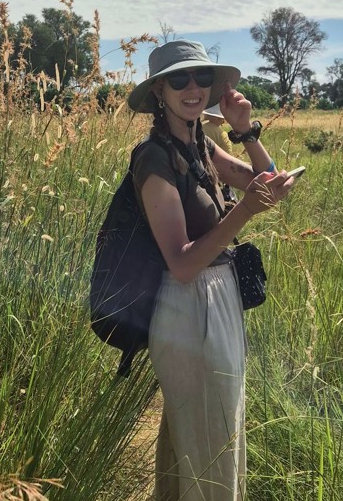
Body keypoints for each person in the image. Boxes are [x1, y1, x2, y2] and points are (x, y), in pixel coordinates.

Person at [127, 39, 296, 501]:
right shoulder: (154, 157)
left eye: (201, 77)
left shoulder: (201, 144)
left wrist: (246, 131)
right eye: (178, 79)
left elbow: (268, 184)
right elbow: (180, 263)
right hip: (186, 307)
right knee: (211, 441)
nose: (192, 88)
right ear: (159, 91)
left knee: (209, 437)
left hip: (220, 300)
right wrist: (242, 213)